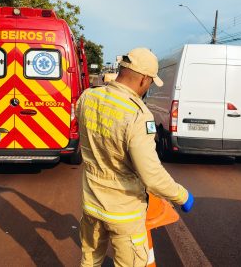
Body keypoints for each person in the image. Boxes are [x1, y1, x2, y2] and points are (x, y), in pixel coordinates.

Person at [76, 47, 194, 267]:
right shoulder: (138, 115)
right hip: (123, 212)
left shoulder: (88, 97)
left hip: (91, 202)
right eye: (150, 82)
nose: (148, 87)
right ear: (144, 80)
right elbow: (151, 175)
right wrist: (182, 195)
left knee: (90, 259)